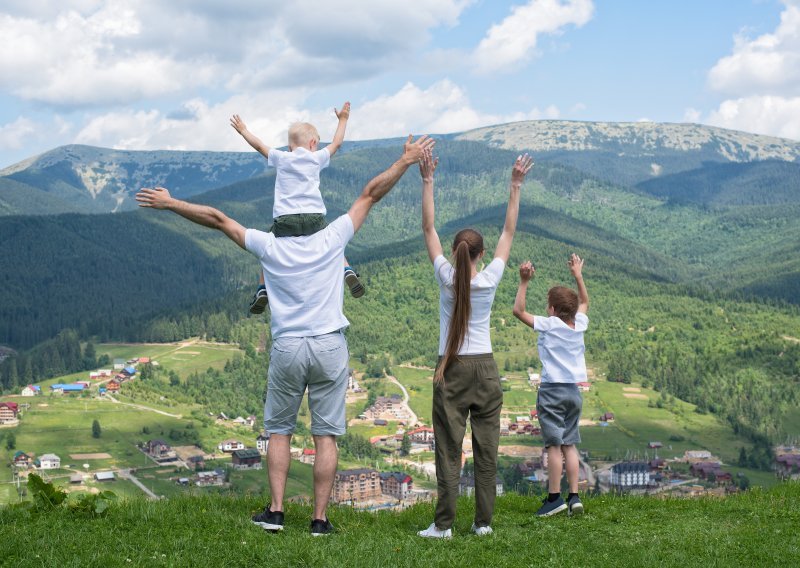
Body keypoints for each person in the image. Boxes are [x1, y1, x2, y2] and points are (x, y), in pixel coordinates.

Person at [135, 134, 435, 536]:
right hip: (330, 344)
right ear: (316, 213)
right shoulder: (333, 238)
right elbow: (370, 194)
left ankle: (276, 513)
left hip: (289, 346)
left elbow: (218, 218)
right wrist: (405, 161)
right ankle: (319, 520)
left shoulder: (269, 247)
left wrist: (171, 203)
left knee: (279, 430)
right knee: (326, 435)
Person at [416, 150, 534, 538]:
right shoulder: (491, 279)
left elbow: (428, 230)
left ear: (454, 253)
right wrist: (515, 185)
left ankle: (443, 525)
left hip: (451, 368)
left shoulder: (445, 277)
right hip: (485, 369)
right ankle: (482, 524)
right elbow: (508, 232)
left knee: (449, 451)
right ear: (481, 255)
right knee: (487, 451)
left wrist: (428, 180)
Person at [230, 102, 364, 315]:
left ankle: (263, 288)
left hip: (285, 221)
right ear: (313, 143)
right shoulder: (316, 158)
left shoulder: (282, 158)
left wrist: (244, 130)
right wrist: (343, 119)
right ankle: (346, 268)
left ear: (290, 146)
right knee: (333, 241)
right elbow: (337, 143)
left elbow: (259, 146)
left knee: (268, 249)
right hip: (314, 218)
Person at [512, 253, 589, 517]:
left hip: (552, 392)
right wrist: (577, 275)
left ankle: (554, 498)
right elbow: (586, 302)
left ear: (553, 310)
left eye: (548, 305)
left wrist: (524, 282)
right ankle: (575, 496)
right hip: (574, 392)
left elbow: (518, 311)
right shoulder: (579, 325)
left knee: (554, 446)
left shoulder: (550, 325)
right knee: (570, 444)